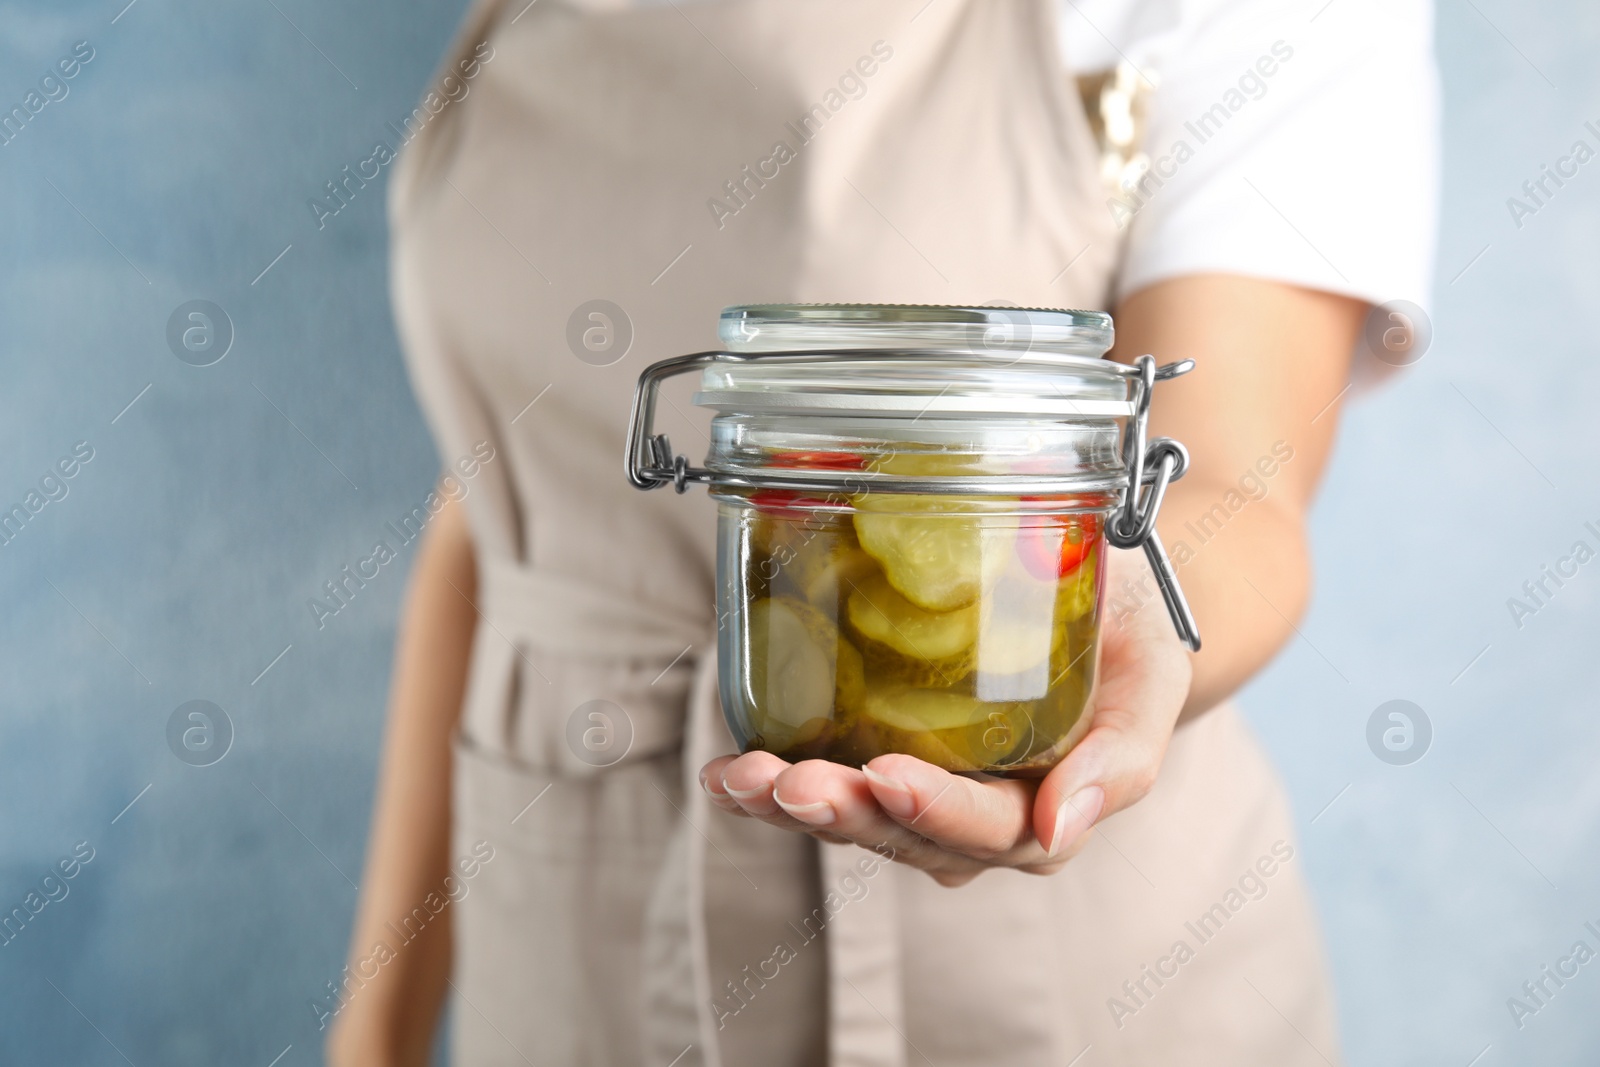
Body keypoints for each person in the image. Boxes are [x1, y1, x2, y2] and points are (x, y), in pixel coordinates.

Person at [327, 0, 1437, 1063]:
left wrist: (1131, 632)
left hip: (1061, 990)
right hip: (556, 952)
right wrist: (372, 1029)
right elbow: (496, 498)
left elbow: (1229, 478)